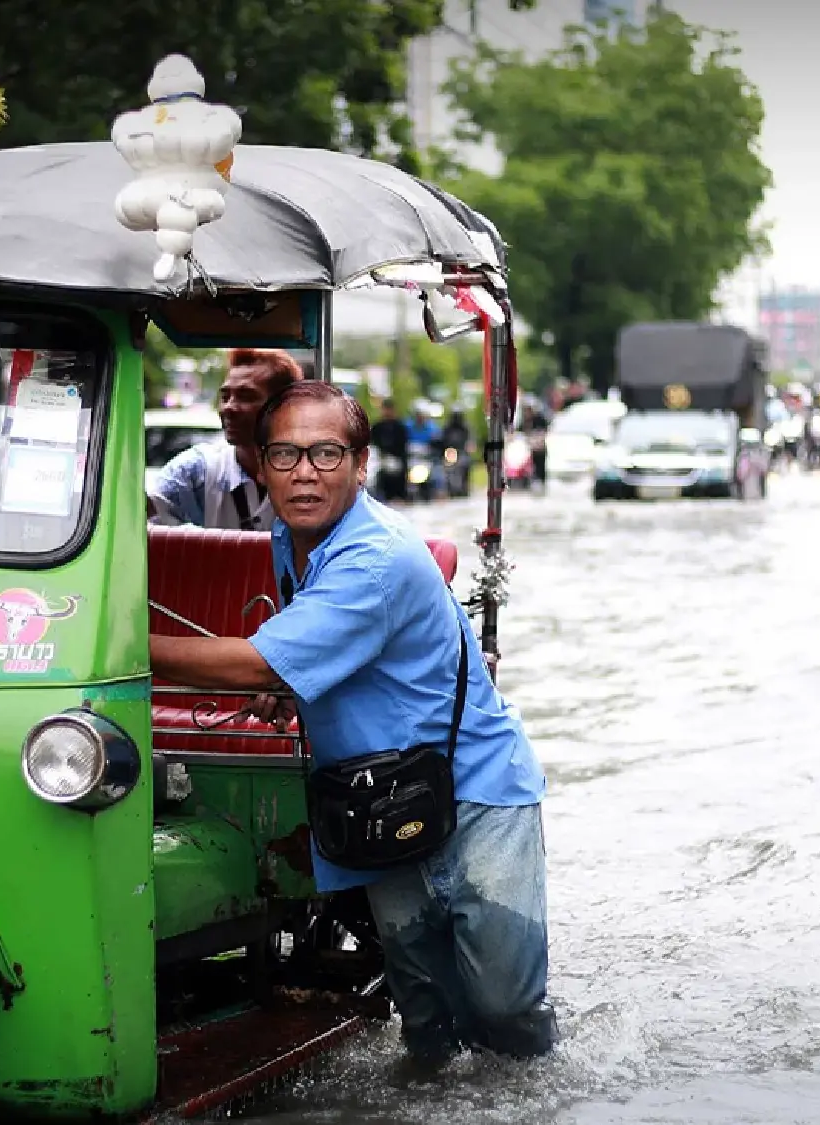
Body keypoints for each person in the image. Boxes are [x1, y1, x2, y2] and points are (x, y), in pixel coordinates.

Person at [147, 380, 556, 1070]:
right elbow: (321, 656)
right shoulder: (292, 536)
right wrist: (298, 687)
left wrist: (115, 642)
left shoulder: (377, 555)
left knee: (504, 1009)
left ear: (361, 465)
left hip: (474, 793)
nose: (304, 471)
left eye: (325, 453)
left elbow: (254, 665)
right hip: (372, 800)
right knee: (426, 1022)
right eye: (285, 454)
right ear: (260, 466)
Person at [148, 348, 303, 530]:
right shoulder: (197, 471)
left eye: (246, 396)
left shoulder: (311, 474)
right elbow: (138, 523)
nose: (228, 407)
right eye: (225, 396)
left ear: (285, 406)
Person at [369, 398, 411, 503]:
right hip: (380, 460)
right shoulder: (377, 427)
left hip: (398, 460)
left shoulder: (400, 427)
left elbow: (404, 445)